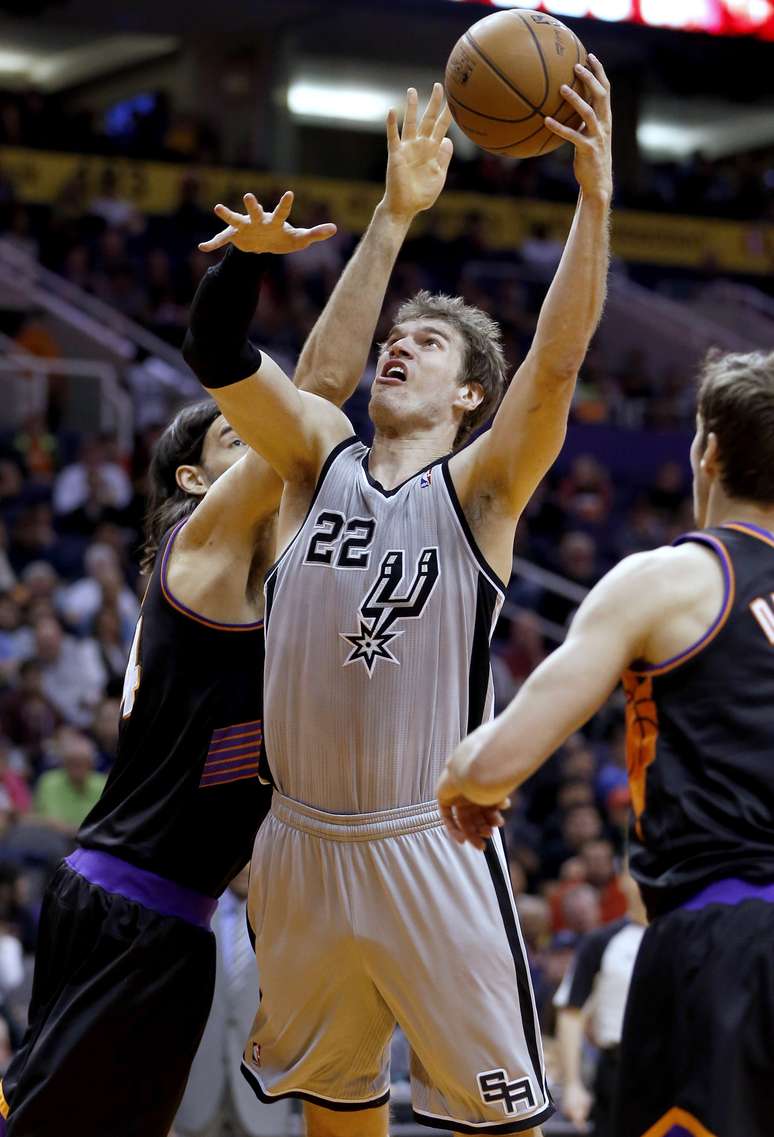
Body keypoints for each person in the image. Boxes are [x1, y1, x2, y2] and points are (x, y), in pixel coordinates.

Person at [189, 65, 612, 1137]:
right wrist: (383, 219)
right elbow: (221, 354)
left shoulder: (479, 490)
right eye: (397, 337)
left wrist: (594, 205)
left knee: (501, 1124)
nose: (400, 346)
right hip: (297, 844)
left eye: (430, 345)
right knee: (335, 1110)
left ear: (472, 394)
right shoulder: (310, 465)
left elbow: (555, 371)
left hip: (427, 844)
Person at [0, 232, 356, 1136]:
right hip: (130, 900)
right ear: (195, 477)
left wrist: (393, 215)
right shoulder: (198, 554)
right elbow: (314, 399)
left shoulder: (264, 586)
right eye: (242, 435)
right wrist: (376, 227)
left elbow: (312, 412)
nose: (272, 441)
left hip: (172, 920)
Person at [438, 349, 774, 1137]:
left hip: (720, 948)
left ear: (708, 451)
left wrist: (467, 784)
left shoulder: (673, 578)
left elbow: (492, 761)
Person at [553, 873, 646, 1136]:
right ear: (624, 882)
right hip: (617, 1071)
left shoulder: (685, 936)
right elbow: (571, 1013)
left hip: (674, 1067)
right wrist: (572, 1084)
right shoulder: (601, 942)